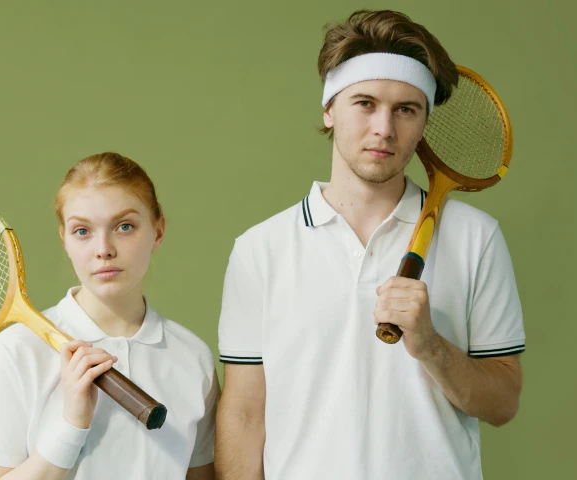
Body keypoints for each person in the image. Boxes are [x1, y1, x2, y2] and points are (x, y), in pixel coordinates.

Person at [215, 9, 525, 480]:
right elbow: (243, 414)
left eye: (406, 108)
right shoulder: (260, 250)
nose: (384, 127)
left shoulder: (476, 237)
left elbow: (502, 403)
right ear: (328, 108)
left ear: (424, 124)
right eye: (365, 103)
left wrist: (431, 346)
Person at [0, 152, 219, 479]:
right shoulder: (17, 351)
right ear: (63, 238)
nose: (103, 248)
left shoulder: (193, 358)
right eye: (83, 231)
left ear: (158, 231)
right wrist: (70, 424)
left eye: (124, 226)